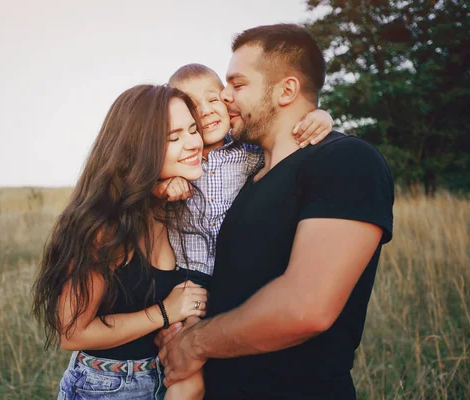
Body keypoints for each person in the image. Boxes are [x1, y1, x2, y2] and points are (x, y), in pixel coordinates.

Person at [158, 24, 395, 399]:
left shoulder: (346, 159)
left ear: (286, 90)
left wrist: (194, 344)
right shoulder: (247, 175)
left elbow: (306, 308)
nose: (223, 95)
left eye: (237, 84)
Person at [32, 84, 211, 400]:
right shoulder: (107, 226)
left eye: (193, 130)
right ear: (140, 148)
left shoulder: (172, 205)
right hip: (106, 386)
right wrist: (165, 313)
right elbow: (71, 333)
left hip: (163, 377)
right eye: (174, 137)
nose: (193, 143)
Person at [155, 63, 334, 282]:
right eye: (193, 106)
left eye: (213, 100)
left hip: (236, 271)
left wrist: (320, 116)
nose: (205, 110)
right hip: (188, 274)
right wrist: (161, 187)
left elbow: (287, 141)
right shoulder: (177, 161)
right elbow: (140, 187)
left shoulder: (247, 150)